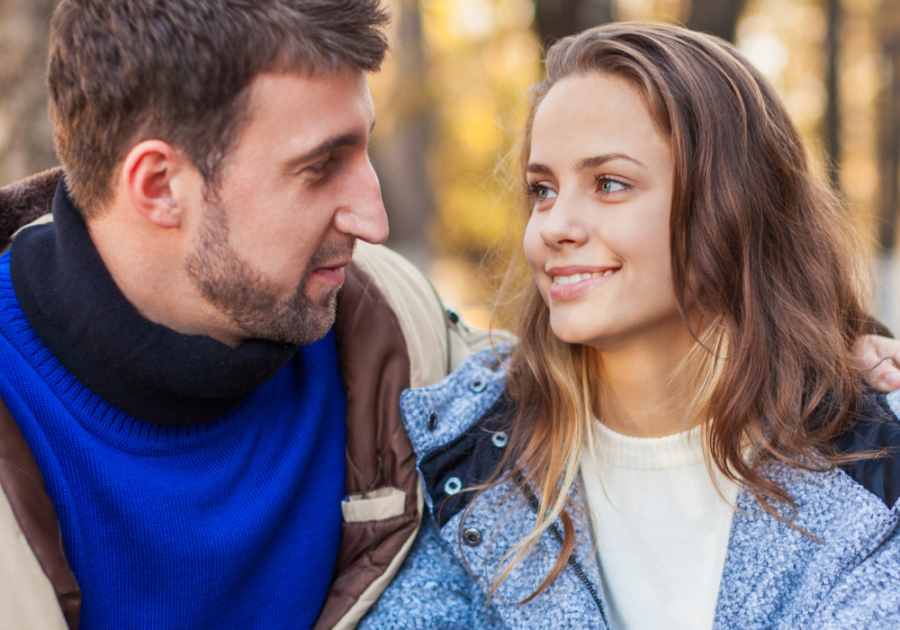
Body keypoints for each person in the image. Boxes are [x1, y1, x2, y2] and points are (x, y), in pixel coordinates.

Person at [359, 22, 900, 630]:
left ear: (732, 206)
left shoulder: (875, 459)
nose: (553, 225)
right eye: (542, 189)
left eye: (609, 183)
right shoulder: (467, 453)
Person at [0, 1, 489, 629]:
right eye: (320, 167)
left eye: (363, 148)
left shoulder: (398, 332)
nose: (375, 220)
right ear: (159, 185)